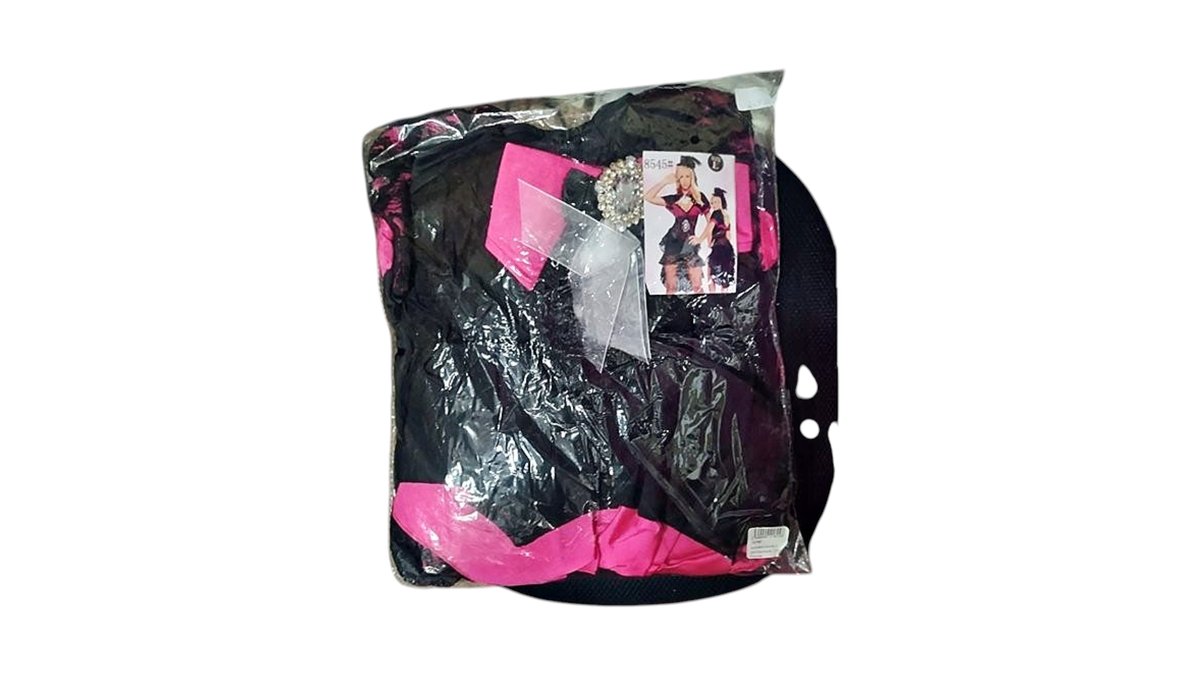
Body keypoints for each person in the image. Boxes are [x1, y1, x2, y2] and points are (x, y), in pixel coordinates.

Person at [644, 156, 710, 294]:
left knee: (697, 284)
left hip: (690, 244)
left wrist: (701, 238)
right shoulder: (673, 199)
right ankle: (666, 306)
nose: (684, 180)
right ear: (677, 179)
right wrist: (664, 182)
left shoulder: (700, 199)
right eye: (681, 177)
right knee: (671, 285)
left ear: (692, 177)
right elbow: (648, 197)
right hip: (673, 243)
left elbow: (712, 222)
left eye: (687, 176)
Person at [696, 186, 735, 292]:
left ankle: (713, 296)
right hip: (728, 249)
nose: (713, 205)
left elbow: (709, 228)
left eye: (716, 202)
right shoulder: (726, 214)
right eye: (712, 203)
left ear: (721, 201)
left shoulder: (716, 213)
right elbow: (728, 235)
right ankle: (724, 298)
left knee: (710, 275)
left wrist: (699, 239)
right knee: (725, 278)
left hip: (719, 249)